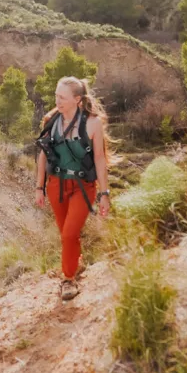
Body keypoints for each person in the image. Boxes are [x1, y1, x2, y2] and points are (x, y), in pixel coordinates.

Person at [35, 76, 111, 300]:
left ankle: (67, 280)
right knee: (67, 235)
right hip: (56, 185)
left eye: (62, 97)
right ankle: (76, 264)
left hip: (82, 186)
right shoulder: (51, 120)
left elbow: (99, 159)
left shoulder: (92, 123)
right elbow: (42, 156)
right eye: (56, 96)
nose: (57, 101)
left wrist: (104, 193)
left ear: (78, 99)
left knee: (69, 233)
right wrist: (39, 187)